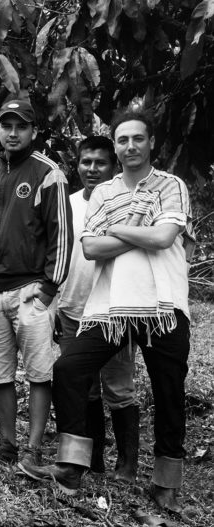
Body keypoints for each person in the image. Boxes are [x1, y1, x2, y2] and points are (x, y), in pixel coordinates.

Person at [20, 113, 193, 513]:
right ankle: (72, 465)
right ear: (116, 146)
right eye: (122, 140)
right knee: (69, 369)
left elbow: (165, 236)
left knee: (169, 390)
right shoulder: (102, 193)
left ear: (151, 142)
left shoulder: (171, 185)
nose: (130, 146)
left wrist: (117, 231)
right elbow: (91, 249)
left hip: (162, 305)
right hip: (109, 306)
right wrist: (139, 228)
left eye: (137, 139)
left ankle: (166, 483)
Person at [0, 99, 70, 466]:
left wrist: (49, 288)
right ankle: (7, 444)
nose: (13, 133)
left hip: (31, 291)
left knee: (39, 372)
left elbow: (62, 234)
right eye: (6, 126)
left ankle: (34, 447)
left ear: (33, 132)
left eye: (21, 126)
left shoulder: (48, 173)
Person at [49, 136, 139, 479]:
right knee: (80, 385)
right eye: (86, 162)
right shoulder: (67, 204)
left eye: (100, 163)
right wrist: (56, 302)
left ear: (113, 166)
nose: (92, 169)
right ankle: (91, 459)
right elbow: (58, 257)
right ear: (78, 165)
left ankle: (128, 464)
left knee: (119, 387)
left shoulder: (126, 206)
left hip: (113, 312)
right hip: (72, 309)